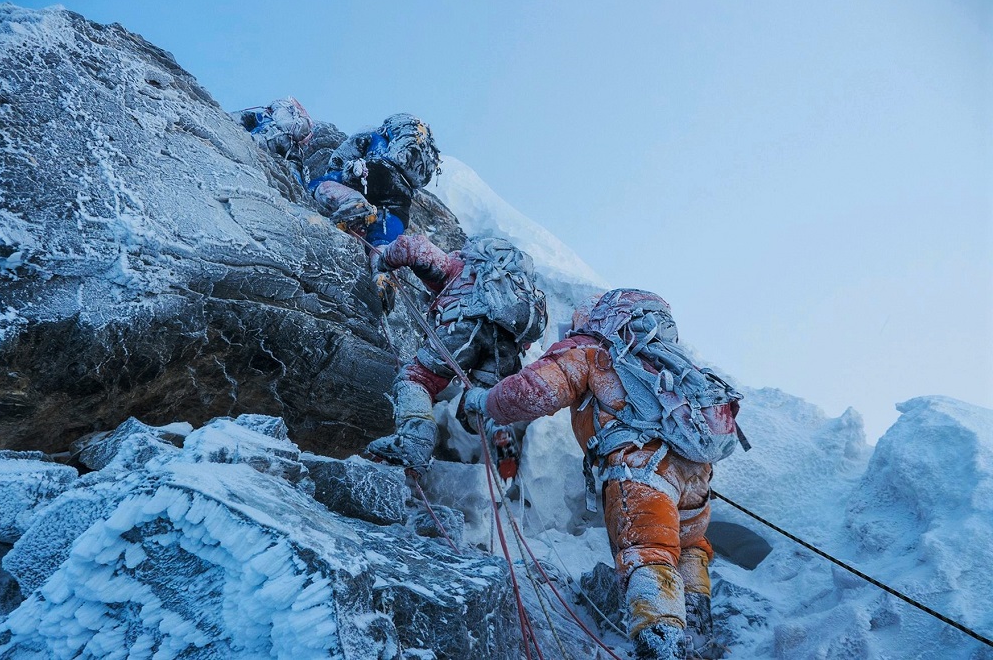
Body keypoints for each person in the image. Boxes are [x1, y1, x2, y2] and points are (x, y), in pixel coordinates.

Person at [461, 289, 747, 659]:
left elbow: (535, 390)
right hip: (695, 480)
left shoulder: (592, 351)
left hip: (643, 473)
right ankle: (697, 633)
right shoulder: (662, 363)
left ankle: (663, 645)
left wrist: (483, 401)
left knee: (648, 552)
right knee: (688, 548)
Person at [365, 234, 547, 482]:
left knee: (418, 379)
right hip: (505, 348)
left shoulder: (462, 266)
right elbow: (527, 338)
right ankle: (506, 461)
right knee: (482, 406)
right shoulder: (517, 292)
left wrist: (383, 262)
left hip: (463, 328)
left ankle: (412, 443)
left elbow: (411, 246)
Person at [307, 113, 440, 248]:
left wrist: (336, 171)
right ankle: (381, 258)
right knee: (382, 241)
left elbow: (343, 155)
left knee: (319, 185)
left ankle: (354, 204)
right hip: (403, 198)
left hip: (377, 172)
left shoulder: (374, 134)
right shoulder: (412, 159)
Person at [234, 97, 314, 187]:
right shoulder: (294, 148)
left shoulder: (265, 117)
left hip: (260, 139)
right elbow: (295, 169)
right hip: (274, 146)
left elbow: (237, 119)